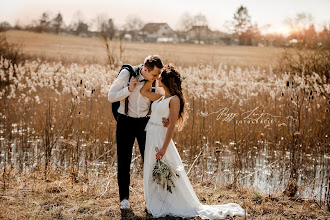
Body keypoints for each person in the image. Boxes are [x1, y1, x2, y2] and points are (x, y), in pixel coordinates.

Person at [140, 64, 248, 219]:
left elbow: (171, 126)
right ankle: (156, 200)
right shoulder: (160, 97)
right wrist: (151, 78)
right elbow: (143, 91)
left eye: (160, 76)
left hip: (160, 138)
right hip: (151, 135)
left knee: (165, 171)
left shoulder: (174, 100)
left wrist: (164, 148)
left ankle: (170, 202)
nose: (158, 79)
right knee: (152, 169)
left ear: (167, 80)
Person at [108, 55, 165, 209]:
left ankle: (153, 198)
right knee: (124, 160)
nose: (158, 77)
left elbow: (162, 99)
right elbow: (111, 96)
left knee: (150, 161)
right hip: (125, 121)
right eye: (154, 75)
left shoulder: (157, 79)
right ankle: (124, 199)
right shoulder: (127, 74)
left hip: (146, 123)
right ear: (145, 70)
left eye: (159, 74)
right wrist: (128, 89)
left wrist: (164, 118)